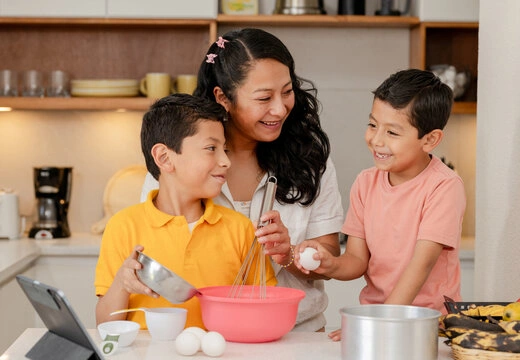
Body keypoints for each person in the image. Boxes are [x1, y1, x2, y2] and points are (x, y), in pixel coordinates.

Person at [141, 28, 344, 331]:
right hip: (204, 334)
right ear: (222, 97)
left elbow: (329, 260)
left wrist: (290, 255)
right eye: (264, 97)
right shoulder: (179, 160)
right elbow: (153, 252)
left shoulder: (310, 159)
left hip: (295, 335)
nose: (279, 108)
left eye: (287, 92)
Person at [294, 69, 466, 341]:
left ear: (430, 140)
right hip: (379, 320)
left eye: (392, 132)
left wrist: (379, 325)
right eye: (373, 125)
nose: (376, 140)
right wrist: (329, 265)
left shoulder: (444, 187)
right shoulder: (366, 183)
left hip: (429, 327)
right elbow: (356, 261)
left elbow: (420, 267)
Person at [95, 93, 277, 329]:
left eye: (226, 150)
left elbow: (265, 312)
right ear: (164, 157)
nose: (225, 161)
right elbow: (104, 325)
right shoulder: (124, 226)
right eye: (211, 148)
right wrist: (122, 283)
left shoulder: (240, 229)